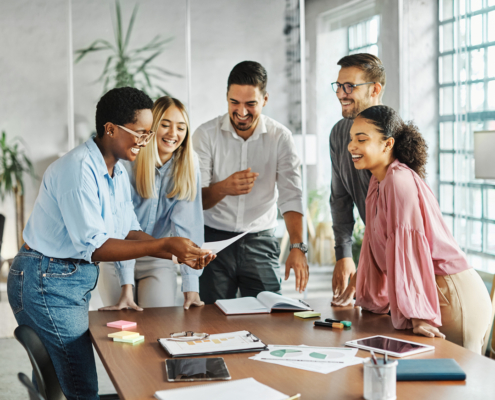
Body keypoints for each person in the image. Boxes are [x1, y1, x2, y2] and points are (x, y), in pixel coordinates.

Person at [7, 87, 214, 400]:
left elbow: (128, 229)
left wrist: (175, 250)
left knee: (68, 376)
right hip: (44, 281)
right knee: (81, 385)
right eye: (141, 133)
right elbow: (97, 247)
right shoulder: (78, 171)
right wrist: (162, 246)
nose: (146, 142)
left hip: (64, 279)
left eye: (149, 133)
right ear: (111, 129)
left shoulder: (115, 171)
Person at [345, 105, 492, 354]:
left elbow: (409, 250)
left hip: (450, 295)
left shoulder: (398, 181)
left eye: (361, 139)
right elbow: (373, 244)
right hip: (428, 291)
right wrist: (367, 296)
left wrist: (419, 314)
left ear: (387, 144)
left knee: (459, 389)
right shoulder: (378, 182)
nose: (351, 146)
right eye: (351, 139)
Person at [193, 61, 309, 304]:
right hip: (213, 240)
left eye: (251, 104)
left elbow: (291, 195)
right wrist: (225, 187)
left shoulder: (281, 138)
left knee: (268, 316)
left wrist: (297, 246)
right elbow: (196, 201)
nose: (242, 112)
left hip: (260, 240)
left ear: (265, 100)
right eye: (234, 102)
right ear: (226, 97)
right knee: (212, 320)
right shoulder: (205, 135)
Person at [98, 96, 205, 310]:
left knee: (158, 324)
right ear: (150, 128)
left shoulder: (188, 166)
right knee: (122, 328)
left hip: (158, 259)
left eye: (181, 128)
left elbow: (188, 228)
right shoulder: (127, 161)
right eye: (165, 125)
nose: (173, 134)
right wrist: (126, 286)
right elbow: (122, 229)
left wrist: (191, 287)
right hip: (116, 258)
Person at [329, 53, 385, 305]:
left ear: (374, 89)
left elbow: (394, 227)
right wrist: (344, 254)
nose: (342, 93)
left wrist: (362, 272)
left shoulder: (394, 137)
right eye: (339, 86)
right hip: (376, 257)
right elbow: (339, 199)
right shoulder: (339, 133)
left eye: (350, 86)